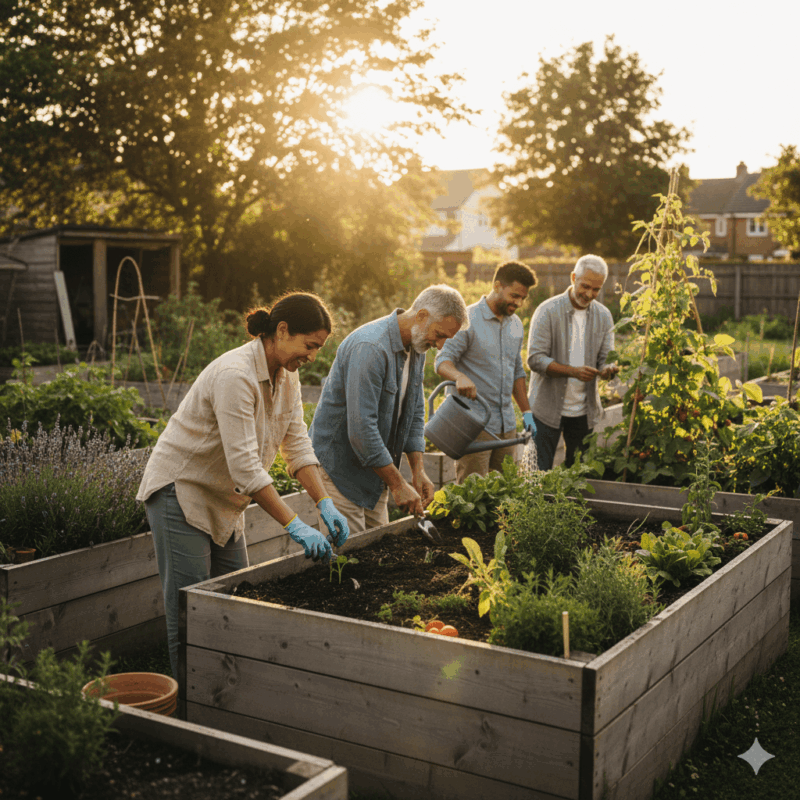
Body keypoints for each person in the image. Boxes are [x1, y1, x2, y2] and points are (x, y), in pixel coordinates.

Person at [136, 292, 350, 678]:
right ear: (282, 331)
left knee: (238, 597)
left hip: (225, 500)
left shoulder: (288, 376)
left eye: (319, 348)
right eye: (310, 345)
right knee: (192, 607)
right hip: (181, 491)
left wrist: (324, 502)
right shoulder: (235, 375)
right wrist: (294, 524)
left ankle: (224, 692)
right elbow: (246, 469)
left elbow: (296, 444)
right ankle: (189, 704)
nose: (313, 356)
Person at [310, 285, 469, 533]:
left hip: (376, 469)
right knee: (349, 556)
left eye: (446, 339)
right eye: (439, 335)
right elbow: (362, 429)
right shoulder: (371, 347)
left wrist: (418, 472)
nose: (439, 346)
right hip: (340, 469)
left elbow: (415, 413)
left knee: (380, 549)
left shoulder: (417, 347)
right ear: (422, 315)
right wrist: (397, 484)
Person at [434, 261, 538, 482]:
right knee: (472, 494)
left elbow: (517, 371)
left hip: (506, 425)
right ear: (498, 285)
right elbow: (442, 360)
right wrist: (459, 376)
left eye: (523, 298)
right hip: (473, 425)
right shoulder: (467, 320)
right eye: (514, 295)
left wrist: (527, 412)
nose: (518, 303)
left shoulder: (516, 325)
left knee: (505, 493)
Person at [527, 254, 618, 470]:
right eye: (585, 286)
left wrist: (608, 369)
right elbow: (535, 359)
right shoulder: (547, 311)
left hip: (583, 412)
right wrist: (572, 372)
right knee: (538, 474)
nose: (589, 294)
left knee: (578, 476)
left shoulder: (604, 316)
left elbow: (607, 357)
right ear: (573, 277)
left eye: (596, 289)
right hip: (545, 409)